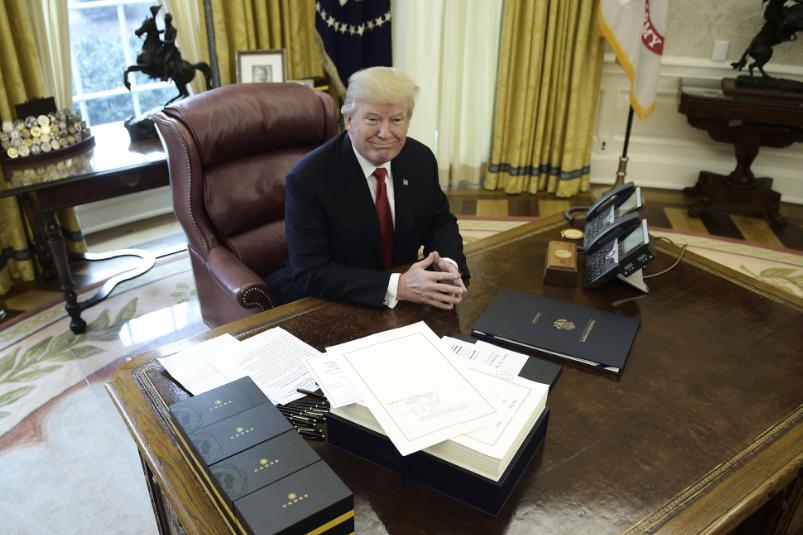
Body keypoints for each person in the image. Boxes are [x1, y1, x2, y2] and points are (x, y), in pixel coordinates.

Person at [269, 66, 469, 310]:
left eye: (396, 119)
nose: (385, 133)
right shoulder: (308, 178)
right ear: (349, 120)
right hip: (328, 302)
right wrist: (397, 286)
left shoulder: (420, 158)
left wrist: (447, 265)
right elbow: (311, 272)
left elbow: (440, 222)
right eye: (372, 119)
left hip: (407, 295)